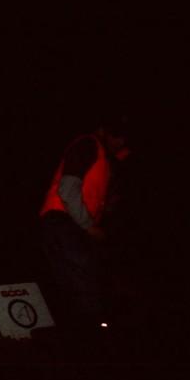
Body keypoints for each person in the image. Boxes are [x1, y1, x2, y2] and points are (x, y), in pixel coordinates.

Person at [39, 114, 130, 335]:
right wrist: (88, 226)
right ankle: (89, 340)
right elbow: (67, 189)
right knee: (83, 283)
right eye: (119, 137)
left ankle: (77, 341)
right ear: (105, 131)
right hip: (63, 222)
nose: (121, 144)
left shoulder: (108, 159)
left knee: (75, 285)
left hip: (72, 225)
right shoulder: (88, 145)